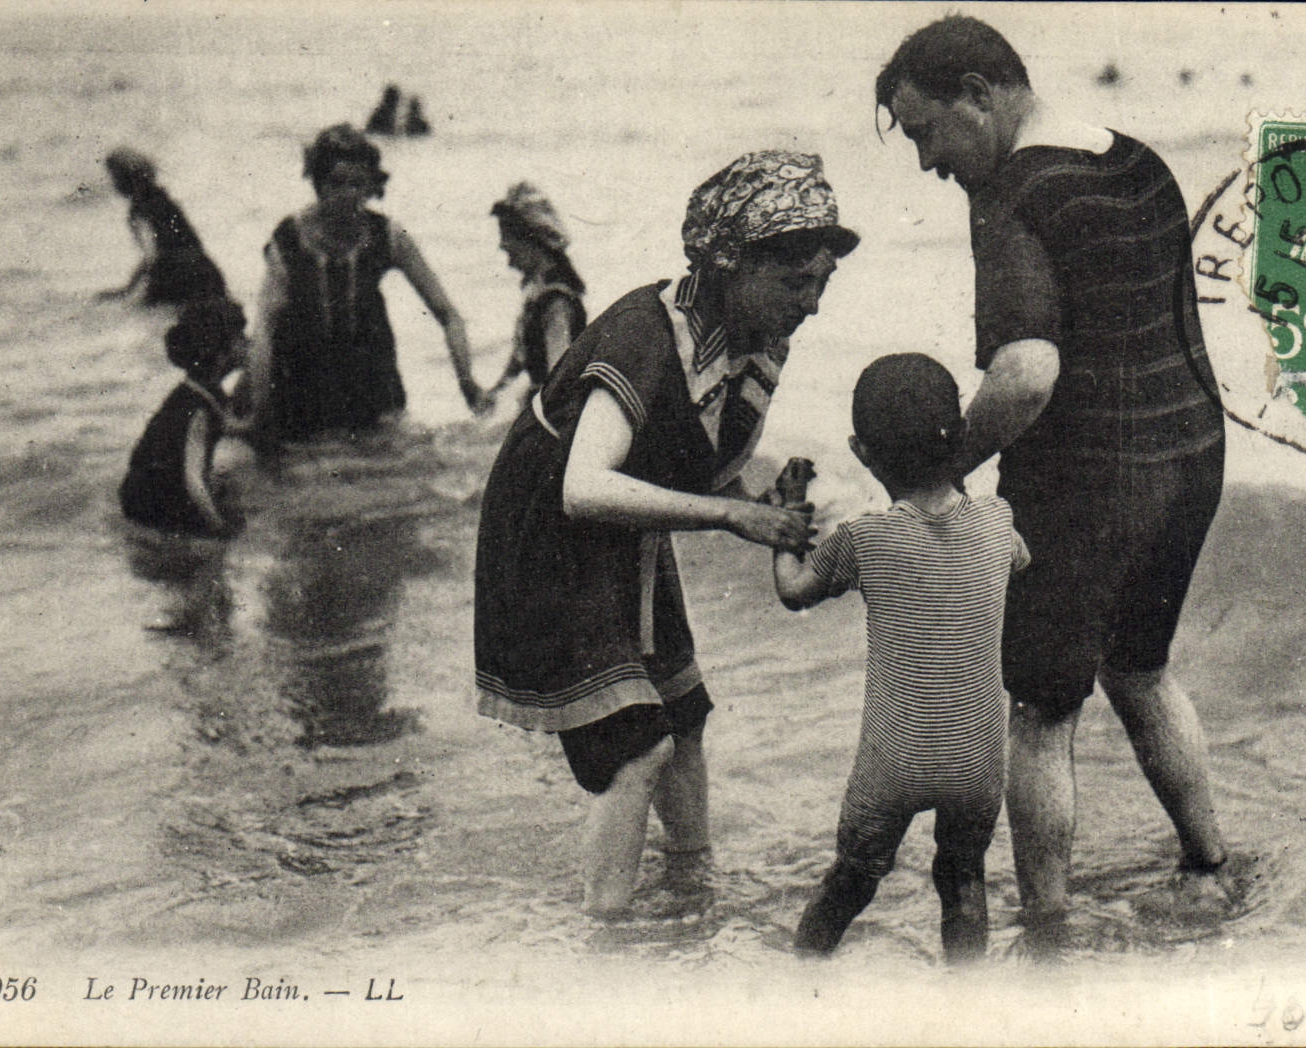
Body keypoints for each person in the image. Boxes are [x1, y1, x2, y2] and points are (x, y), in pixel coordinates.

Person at [875, 16, 1233, 934]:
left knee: (1041, 712)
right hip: (1192, 454)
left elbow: (1028, 373)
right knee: (1143, 671)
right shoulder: (1138, 160)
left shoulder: (1012, 194)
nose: (925, 162)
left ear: (979, 97)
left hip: (1086, 483)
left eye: (924, 132)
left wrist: (944, 474)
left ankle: (1049, 926)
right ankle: (1210, 867)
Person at [473, 150, 859, 917]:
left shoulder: (754, 339)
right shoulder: (644, 334)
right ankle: (608, 930)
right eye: (794, 282)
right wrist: (733, 514)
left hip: (626, 532)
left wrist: (758, 498)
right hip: (548, 536)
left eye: (821, 283)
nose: (810, 304)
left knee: (684, 717)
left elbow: (697, 463)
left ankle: (693, 885)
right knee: (635, 744)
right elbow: (584, 487)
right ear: (728, 265)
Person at [774, 353, 1029, 963]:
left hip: (894, 761)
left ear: (863, 453)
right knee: (964, 877)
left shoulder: (864, 539)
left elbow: (793, 591)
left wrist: (790, 517)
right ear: (963, 437)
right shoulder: (998, 521)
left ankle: (799, 982)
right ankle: (964, 1007)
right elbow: (1019, 560)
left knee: (853, 877)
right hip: (974, 761)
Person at [243, 124, 490, 441]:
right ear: (318, 184)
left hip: (371, 383)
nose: (348, 195)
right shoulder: (290, 240)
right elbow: (264, 327)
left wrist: (467, 382)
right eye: (337, 183)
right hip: (302, 385)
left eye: (358, 185)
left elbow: (448, 314)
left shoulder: (387, 235)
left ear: (371, 187)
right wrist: (260, 411)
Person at [119, 298, 247, 538]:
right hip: (153, 505)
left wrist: (250, 427)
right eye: (241, 338)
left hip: (142, 489)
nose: (248, 343)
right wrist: (219, 528)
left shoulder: (201, 391)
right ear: (220, 355)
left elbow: (225, 426)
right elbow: (193, 480)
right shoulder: (198, 409)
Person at [485, 182, 587, 403]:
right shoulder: (538, 294)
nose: (502, 245)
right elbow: (518, 362)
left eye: (506, 235)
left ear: (531, 240)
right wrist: (491, 396)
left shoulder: (556, 301)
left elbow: (560, 379)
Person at [98, 148, 229, 308]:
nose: (113, 183)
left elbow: (154, 258)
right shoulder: (165, 201)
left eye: (115, 177)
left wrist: (128, 290)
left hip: (176, 280)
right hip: (207, 274)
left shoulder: (139, 210)